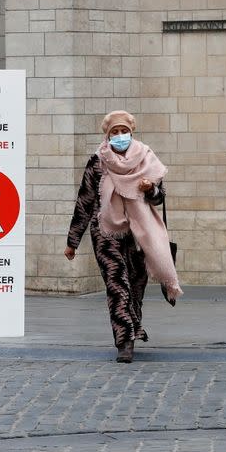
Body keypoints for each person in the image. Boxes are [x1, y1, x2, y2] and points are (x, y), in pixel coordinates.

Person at [64, 111, 182, 363]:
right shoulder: (97, 162)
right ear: (107, 136)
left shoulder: (145, 159)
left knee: (136, 283)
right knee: (117, 284)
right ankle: (124, 341)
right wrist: (72, 241)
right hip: (105, 230)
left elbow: (160, 198)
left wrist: (151, 188)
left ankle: (132, 325)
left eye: (123, 131)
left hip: (138, 234)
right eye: (114, 133)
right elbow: (84, 202)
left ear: (131, 132)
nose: (119, 136)